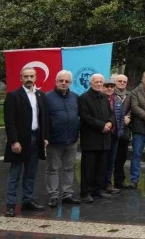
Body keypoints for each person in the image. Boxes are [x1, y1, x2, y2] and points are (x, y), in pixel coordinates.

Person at [3, 67, 50, 217]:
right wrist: (14, 141)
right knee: (15, 173)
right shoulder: (13, 96)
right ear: (20, 78)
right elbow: (9, 122)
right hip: (20, 141)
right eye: (26, 76)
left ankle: (27, 200)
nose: (29, 79)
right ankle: (10, 204)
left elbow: (45, 118)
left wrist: (45, 137)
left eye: (31, 76)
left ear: (36, 77)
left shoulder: (41, 95)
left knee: (31, 172)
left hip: (36, 138)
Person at [45, 70, 80, 208]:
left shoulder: (75, 97)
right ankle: (53, 195)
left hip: (71, 139)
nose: (63, 83)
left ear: (70, 83)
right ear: (56, 81)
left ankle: (67, 194)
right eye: (61, 80)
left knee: (69, 168)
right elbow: (43, 119)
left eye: (66, 81)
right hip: (54, 140)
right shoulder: (47, 97)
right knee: (53, 168)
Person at [79, 74, 115, 203]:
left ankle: (98, 190)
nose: (99, 84)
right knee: (88, 168)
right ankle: (86, 192)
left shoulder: (104, 98)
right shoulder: (84, 98)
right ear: (91, 83)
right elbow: (86, 117)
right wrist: (102, 125)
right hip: (91, 139)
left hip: (104, 139)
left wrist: (110, 123)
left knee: (101, 167)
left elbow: (111, 113)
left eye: (101, 82)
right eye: (96, 82)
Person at [102, 78, 124, 195]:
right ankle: (100, 184)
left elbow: (120, 118)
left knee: (111, 160)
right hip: (102, 135)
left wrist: (119, 132)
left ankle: (108, 183)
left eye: (111, 86)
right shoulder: (100, 100)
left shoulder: (118, 100)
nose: (109, 88)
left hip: (114, 135)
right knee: (102, 161)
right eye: (107, 86)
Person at [111, 74, 131, 189]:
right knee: (110, 157)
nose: (122, 83)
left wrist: (129, 117)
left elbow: (134, 108)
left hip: (125, 130)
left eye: (124, 81)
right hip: (112, 130)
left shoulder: (130, 95)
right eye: (119, 81)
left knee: (122, 157)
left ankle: (119, 180)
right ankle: (107, 181)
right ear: (115, 82)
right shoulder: (110, 93)